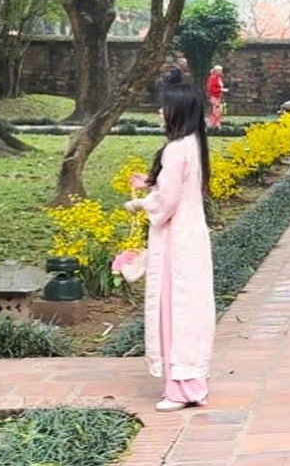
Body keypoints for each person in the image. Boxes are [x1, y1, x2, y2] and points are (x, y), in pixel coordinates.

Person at [125, 84, 216, 412]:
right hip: (192, 236)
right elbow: (177, 187)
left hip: (177, 240)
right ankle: (190, 382)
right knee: (191, 307)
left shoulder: (175, 149)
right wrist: (152, 182)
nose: (159, 113)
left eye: (164, 107)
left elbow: (167, 202)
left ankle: (181, 388)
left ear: (176, 111)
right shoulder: (193, 145)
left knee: (175, 307)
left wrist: (138, 205)